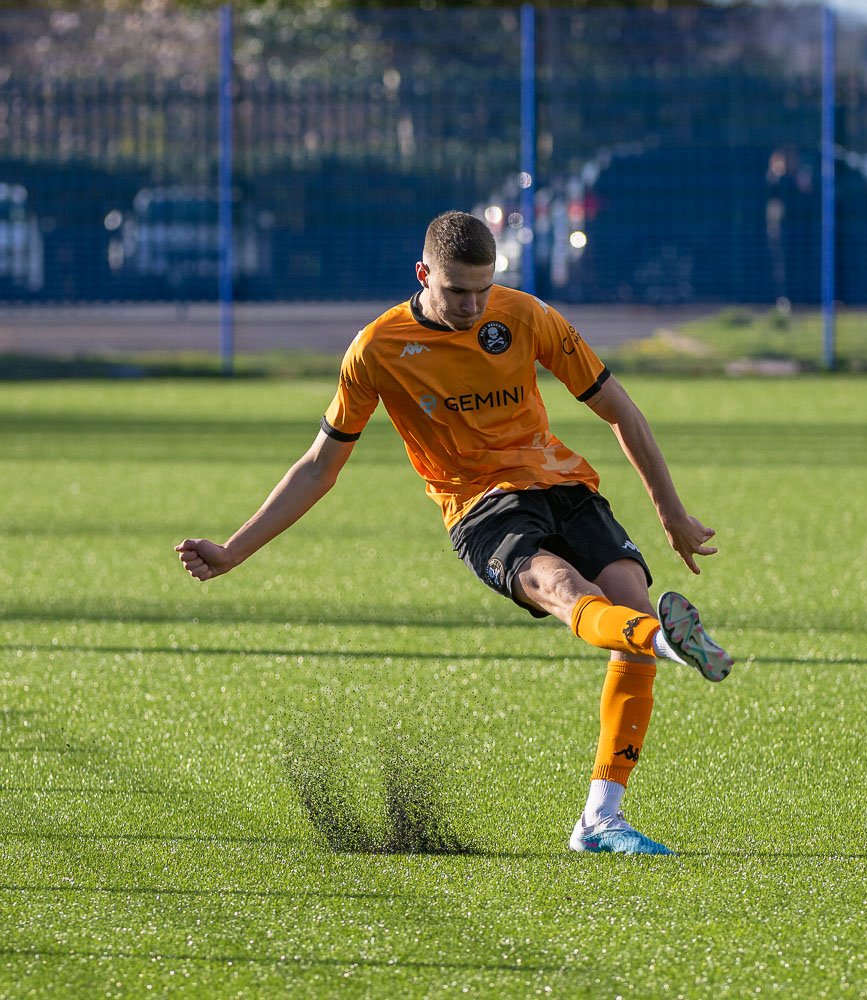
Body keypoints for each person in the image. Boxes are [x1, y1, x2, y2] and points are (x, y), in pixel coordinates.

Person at [176, 210, 732, 857]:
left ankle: (601, 820)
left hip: (563, 486)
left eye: (482, 289)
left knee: (629, 609)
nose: (472, 305)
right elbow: (319, 467)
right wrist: (233, 550)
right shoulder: (378, 350)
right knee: (563, 588)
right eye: (456, 290)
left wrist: (671, 512)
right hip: (481, 509)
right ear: (422, 275)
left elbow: (618, 409)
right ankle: (665, 640)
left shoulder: (525, 316)